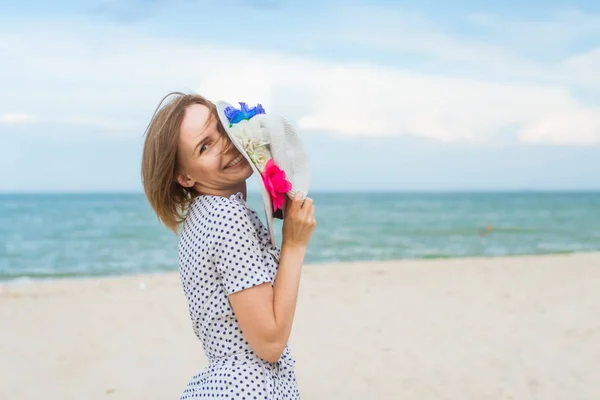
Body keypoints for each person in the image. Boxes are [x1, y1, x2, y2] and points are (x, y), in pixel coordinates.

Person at [141, 92, 316, 399]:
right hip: (249, 387)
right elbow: (270, 343)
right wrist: (294, 244)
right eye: (204, 146)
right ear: (184, 176)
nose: (224, 145)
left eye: (221, 130)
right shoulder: (227, 215)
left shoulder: (198, 219)